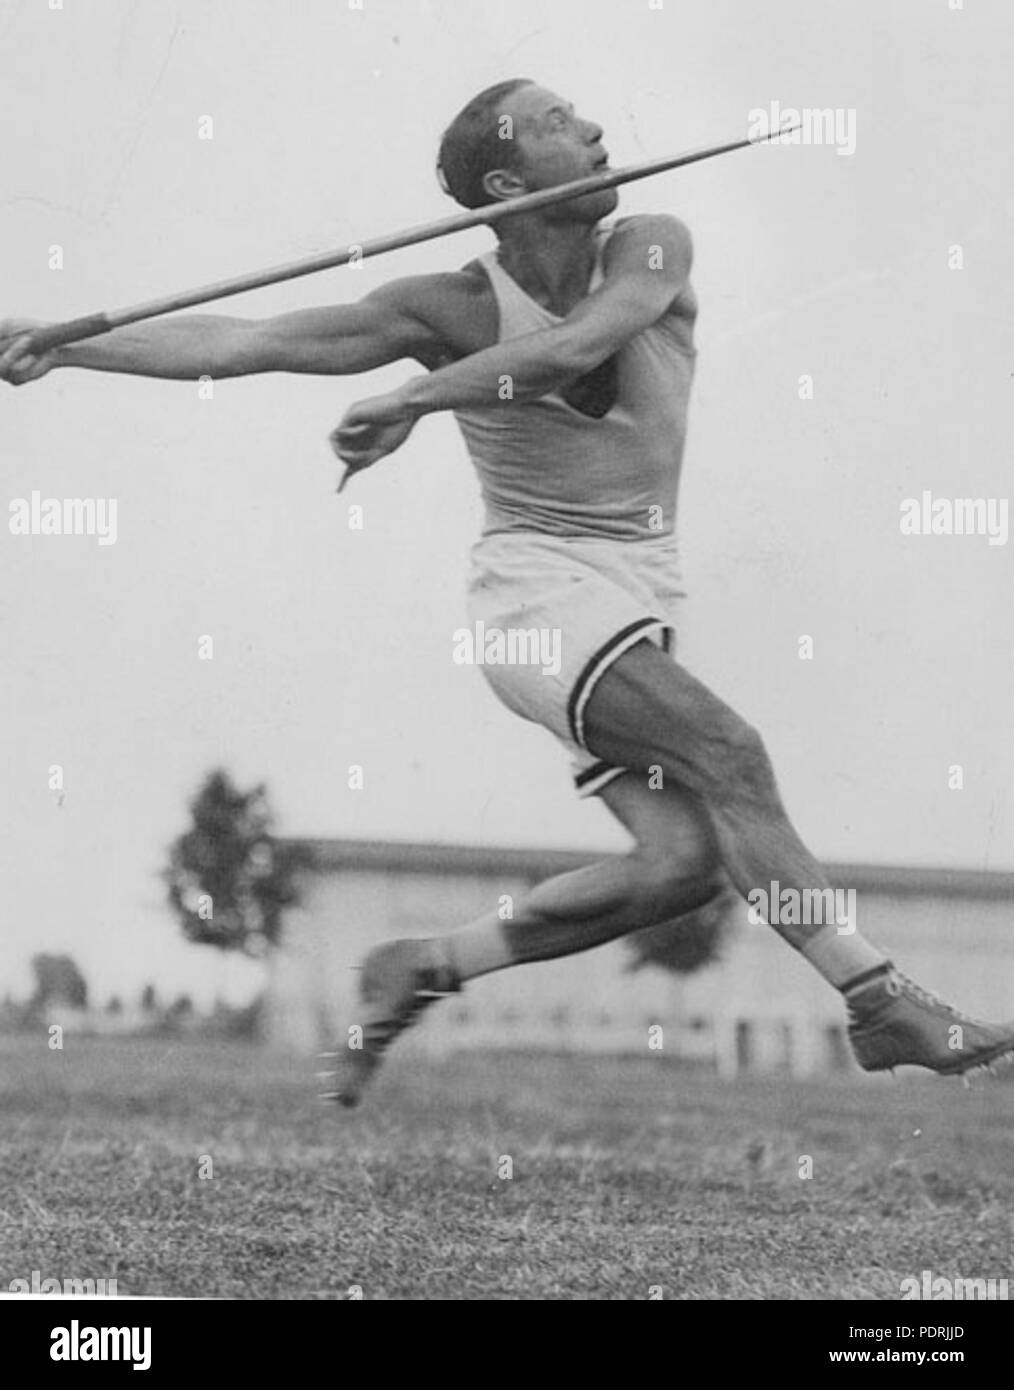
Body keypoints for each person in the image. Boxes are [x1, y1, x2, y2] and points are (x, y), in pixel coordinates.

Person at [4, 80, 1011, 1109]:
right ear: (504, 182)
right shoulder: (447, 308)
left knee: (680, 864)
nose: (599, 131)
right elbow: (242, 343)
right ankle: (878, 999)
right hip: (534, 599)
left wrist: (415, 393)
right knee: (731, 752)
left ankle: (428, 963)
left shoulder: (651, 245)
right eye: (560, 125)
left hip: (637, 592)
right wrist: (64, 342)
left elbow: (573, 348)